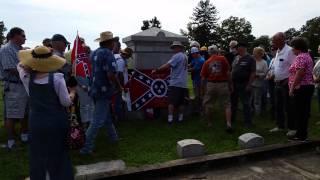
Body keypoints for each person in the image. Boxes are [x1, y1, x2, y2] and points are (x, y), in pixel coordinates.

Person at [17, 46, 74, 179]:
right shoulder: (57, 78)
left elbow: (20, 64)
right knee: (59, 153)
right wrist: (72, 93)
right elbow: (65, 102)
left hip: (36, 121)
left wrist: (29, 62)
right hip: (56, 121)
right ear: (51, 60)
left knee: (37, 153)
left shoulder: (26, 77)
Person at [80, 31, 121, 154]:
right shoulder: (108, 54)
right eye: (114, 42)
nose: (115, 44)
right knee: (97, 120)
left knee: (106, 116)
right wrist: (118, 86)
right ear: (111, 42)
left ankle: (114, 138)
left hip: (94, 88)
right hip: (104, 90)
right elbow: (111, 74)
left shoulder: (94, 53)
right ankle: (86, 148)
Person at [0, 27, 28, 150]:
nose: (24, 38)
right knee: (11, 114)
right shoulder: (6, 49)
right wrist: (30, 71)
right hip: (13, 85)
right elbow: (10, 68)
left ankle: (24, 136)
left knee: (24, 113)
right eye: (22, 35)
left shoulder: (20, 49)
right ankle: (11, 141)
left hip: (22, 85)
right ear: (15, 36)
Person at [152, 41, 188, 123]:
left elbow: (168, 65)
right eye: (173, 47)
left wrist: (157, 70)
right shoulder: (185, 56)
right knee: (181, 102)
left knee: (171, 102)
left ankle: (170, 119)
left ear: (179, 48)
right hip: (183, 82)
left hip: (175, 82)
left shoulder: (176, 56)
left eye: (175, 47)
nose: (174, 49)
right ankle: (180, 118)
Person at [269, 32, 296, 137]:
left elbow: (295, 68)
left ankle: (292, 127)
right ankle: (280, 126)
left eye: (274, 41)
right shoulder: (278, 51)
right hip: (277, 82)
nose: (273, 43)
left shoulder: (289, 51)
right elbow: (277, 67)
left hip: (286, 82)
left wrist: (289, 79)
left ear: (282, 40)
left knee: (289, 106)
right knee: (278, 105)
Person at [287, 37, 314, 141]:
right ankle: (302, 133)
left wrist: (292, 88)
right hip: (307, 86)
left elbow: (300, 73)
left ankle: (301, 135)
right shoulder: (307, 56)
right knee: (304, 112)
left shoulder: (300, 57)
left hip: (301, 87)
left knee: (299, 112)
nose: (292, 49)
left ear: (298, 47)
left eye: (293, 47)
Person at [201, 45, 233, 131]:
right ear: (217, 51)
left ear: (209, 52)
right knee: (227, 105)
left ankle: (209, 123)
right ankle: (228, 124)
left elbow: (203, 77)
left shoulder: (207, 62)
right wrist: (230, 84)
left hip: (211, 85)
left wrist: (203, 88)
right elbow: (228, 73)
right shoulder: (223, 59)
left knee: (208, 104)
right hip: (222, 84)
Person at [231, 42, 256, 127]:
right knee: (233, 102)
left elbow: (253, 72)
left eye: (240, 48)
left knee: (246, 103)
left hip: (244, 83)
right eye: (237, 48)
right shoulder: (236, 57)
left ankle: (248, 122)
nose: (238, 50)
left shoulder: (250, 58)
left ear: (244, 48)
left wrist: (249, 84)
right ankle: (232, 119)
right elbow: (233, 69)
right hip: (234, 83)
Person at [73, 38, 94, 129]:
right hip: (81, 84)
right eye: (80, 43)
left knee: (91, 104)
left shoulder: (88, 57)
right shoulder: (74, 57)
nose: (82, 45)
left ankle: (91, 122)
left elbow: (90, 69)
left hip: (89, 82)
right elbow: (74, 74)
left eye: (83, 42)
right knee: (84, 105)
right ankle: (85, 123)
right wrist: (81, 85)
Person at [114, 47, 133, 121]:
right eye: (128, 57)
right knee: (117, 101)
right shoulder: (121, 61)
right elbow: (120, 75)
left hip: (113, 82)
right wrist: (122, 87)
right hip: (117, 83)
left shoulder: (116, 56)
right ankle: (118, 118)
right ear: (127, 55)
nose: (128, 58)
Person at [252, 47, 268, 115]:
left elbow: (265, 73)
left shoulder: (264, 62)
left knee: (257, 99)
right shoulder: (252, 61)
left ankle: (257, 113)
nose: (253, 53)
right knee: (250, 98)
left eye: (254, 52)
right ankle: (251, 111)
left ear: (259, 54)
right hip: (250, 82)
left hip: (259, 83)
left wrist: (258, 75)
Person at [189, 47, 205, 111]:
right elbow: (191, 64)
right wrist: (186, 65)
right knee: (196, 95)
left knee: (200, 95)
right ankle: (197, 108)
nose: (192, 55)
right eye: (192, 54)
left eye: (193, 54)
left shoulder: (201, 60)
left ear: (196, 53)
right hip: (196, 79)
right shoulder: (195, 58)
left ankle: (201, 109)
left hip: (201, 80)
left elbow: (194, 69)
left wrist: (184, 69)